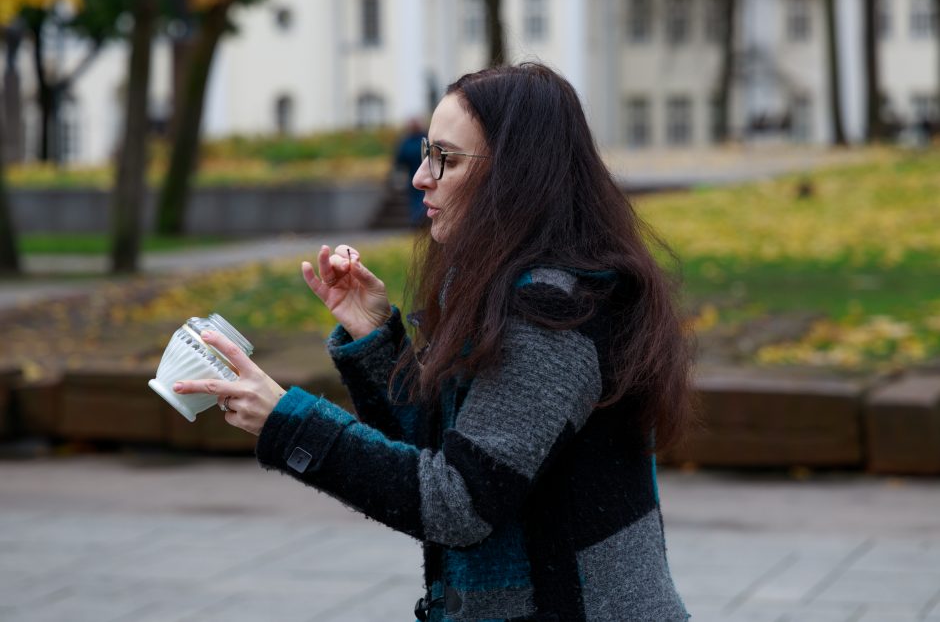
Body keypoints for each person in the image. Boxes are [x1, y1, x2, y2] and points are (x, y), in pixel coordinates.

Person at [174, 63, 693, 621]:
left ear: (518, 173)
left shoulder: (555, 311)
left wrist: (288, 420)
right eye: (426, 152)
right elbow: (450, 453)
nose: (421, 176)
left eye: (445, 158)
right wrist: (374, 335)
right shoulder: (513, 284)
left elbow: (459, 502)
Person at [394, 117, 429, 226]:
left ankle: (418, 219)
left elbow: (400, 159)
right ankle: (419, 219)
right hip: (416, 174)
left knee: (419, 198)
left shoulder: (408, 141)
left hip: (416, 174)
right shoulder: (422, 139)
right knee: (419, 198)